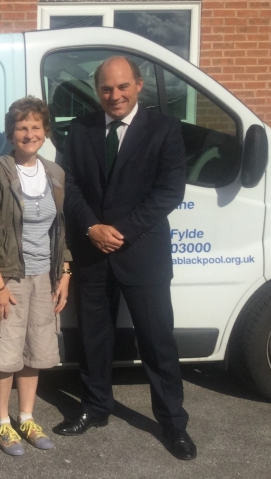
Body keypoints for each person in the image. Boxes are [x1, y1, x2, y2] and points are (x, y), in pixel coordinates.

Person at [54, 56, 196, 460]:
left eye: (122, 87)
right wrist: (91, 228)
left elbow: (169, 191)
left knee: (157, 342)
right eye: (106, 89)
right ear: (97, 90)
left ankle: (172, 423)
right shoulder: (79, 131)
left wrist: (122, 231)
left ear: (138, 86)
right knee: (94, 340)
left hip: (142, 253)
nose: (114, 96)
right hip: (92, 252)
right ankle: (96, 407)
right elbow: (70, 185)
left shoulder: (164, 129)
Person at [0, 96, 71, 456]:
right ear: (12, 133)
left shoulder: (54, 173)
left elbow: (60, 229)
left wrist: (65, 273)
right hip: (8, 279)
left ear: (45, 131)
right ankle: (2, 422)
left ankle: (26, 417)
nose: (29, 134)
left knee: (35, 352)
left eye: (35, 127)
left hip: (44, 276)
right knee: (4, 354)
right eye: (22, 127)